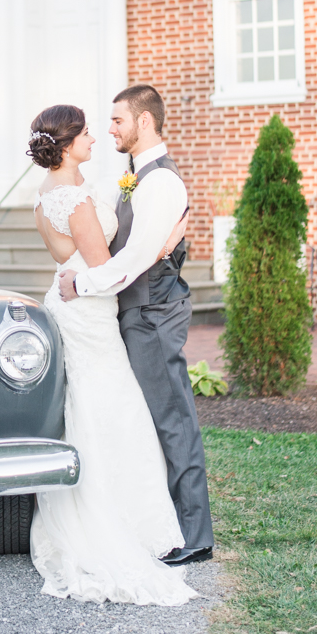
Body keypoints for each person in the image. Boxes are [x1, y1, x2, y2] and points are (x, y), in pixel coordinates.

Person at [27, 104, 198, 606]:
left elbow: (66, 256)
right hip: (89, 305)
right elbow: (101, 262)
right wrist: (159, 244)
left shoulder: (45, 196)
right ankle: (126, 520)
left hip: (69, 299)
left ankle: (108, 506)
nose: (96, 140)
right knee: (117, 407)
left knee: (88, 405)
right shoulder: (77, 199)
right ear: (67, 142)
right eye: (85, 134)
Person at [58, 85, 213, 566]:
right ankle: (166, 521)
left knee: (173, 418)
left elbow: (137, 257)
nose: (110, 129)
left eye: (118, 121)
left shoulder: (161, 183)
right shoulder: (134, 177)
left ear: (144, 122)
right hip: (136, 312)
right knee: (153, 418)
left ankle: (196, 535)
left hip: (153, 314)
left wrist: (82, 285)